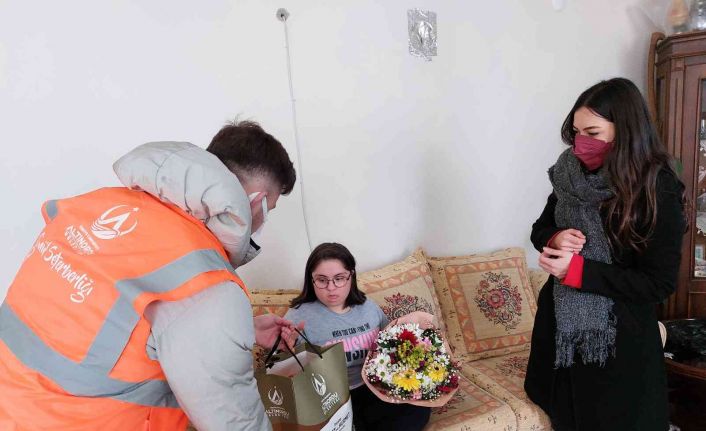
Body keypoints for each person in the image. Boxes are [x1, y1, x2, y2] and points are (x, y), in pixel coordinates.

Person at [0, 120, 300, 430]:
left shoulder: (95, 206)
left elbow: (100, 321)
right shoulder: (206, 280)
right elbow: (235, 421)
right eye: (270, 209)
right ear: (256, 202)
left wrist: (241, 330)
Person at [524, 78, 686, 431]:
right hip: (561, 330)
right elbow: (540, 228)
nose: (581, 143)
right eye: (576, 132)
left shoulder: (658, 189)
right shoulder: (569, 173)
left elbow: (657, 284)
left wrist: (576, 271)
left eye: (593, 133)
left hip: (618, 343)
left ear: (625, 131)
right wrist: (555, 237)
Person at [284, 242, 432, 431]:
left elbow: (390, 346)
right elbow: (287, 373)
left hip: (373, 389)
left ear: (351, 276)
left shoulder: (368, 307)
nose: (331, 287)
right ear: (311, 280)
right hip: (330, 398)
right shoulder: (298, 316)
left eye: (339, 278)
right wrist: (286, 350)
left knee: (418, 408)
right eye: (322, 280)